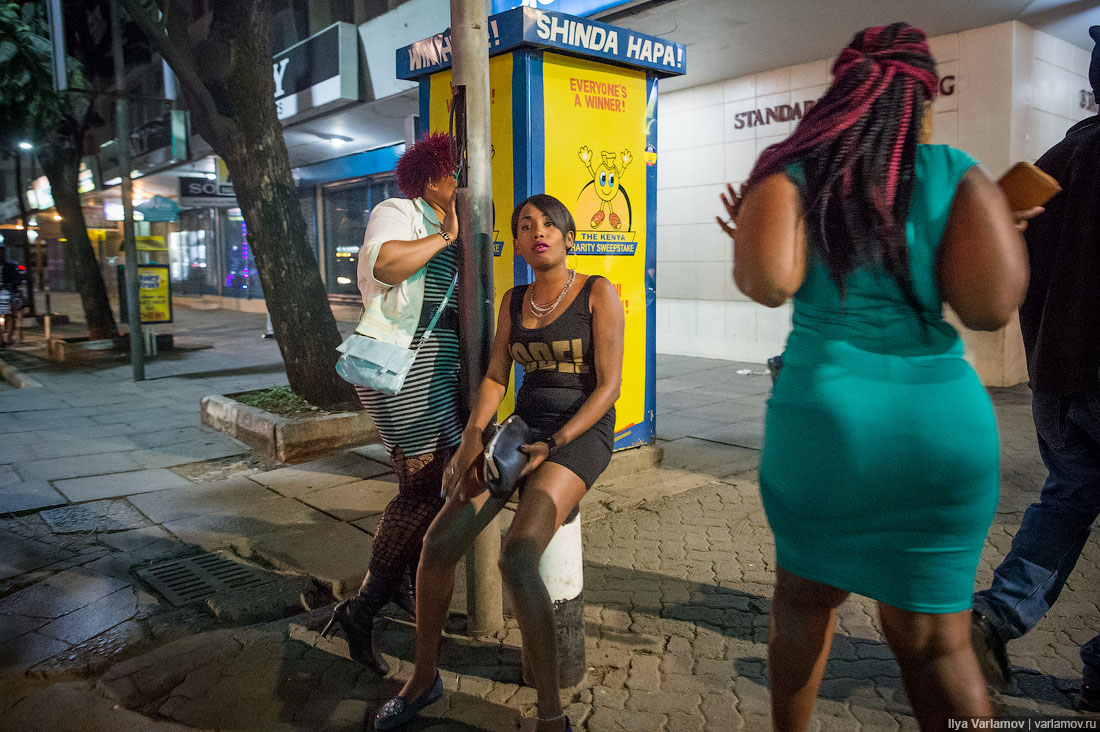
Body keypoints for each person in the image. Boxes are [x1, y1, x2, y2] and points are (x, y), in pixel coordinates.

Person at [717, 23, 1028, 730]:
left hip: (828, 429)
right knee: (939, 642)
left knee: (803, 602)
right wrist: (992, 227)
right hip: (945, 434)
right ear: (922, 98)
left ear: (843, 92)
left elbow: (767, 280)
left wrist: (756, 223)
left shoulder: (793, 174)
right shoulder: (959, 172)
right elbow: (990, 306)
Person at [372, 194, 624, 732]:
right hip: (525, 426)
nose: (539, 232)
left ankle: (551, 714)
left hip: (579, 434)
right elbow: (495, 377)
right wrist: (470, 440)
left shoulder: (597, 293)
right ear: (521, 243)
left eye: (549, 224)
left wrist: (553, 447)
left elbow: (608, 389)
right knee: (439, 543)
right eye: (526, 225)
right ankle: (423, 679)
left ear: (569, 237)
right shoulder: (514, 301)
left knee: (517, 556)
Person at [971, 24, 1100, 713]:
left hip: (1057, 372)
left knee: (1068, 498)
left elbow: (996, 207)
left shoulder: (1071, 149)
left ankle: (992, 620)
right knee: (1069, 498)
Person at [320, 132, 464, 675]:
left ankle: (400, 583)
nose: (462, 183)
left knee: (434, 484)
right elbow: (385, 266)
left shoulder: (445, 223)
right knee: (425, 489)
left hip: (437, 373)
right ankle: (360, 611)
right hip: (401, 368)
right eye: (456, 174)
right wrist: (446, 236)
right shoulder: (398, 210)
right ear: (431, 179)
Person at [0, 245, 24, 347]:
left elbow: (18, 279)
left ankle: (9, 336)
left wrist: (10, 285)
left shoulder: (10, 266)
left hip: (8, 294)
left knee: (10, 316)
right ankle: (1, 339)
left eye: (3, 253)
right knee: (9, 316)